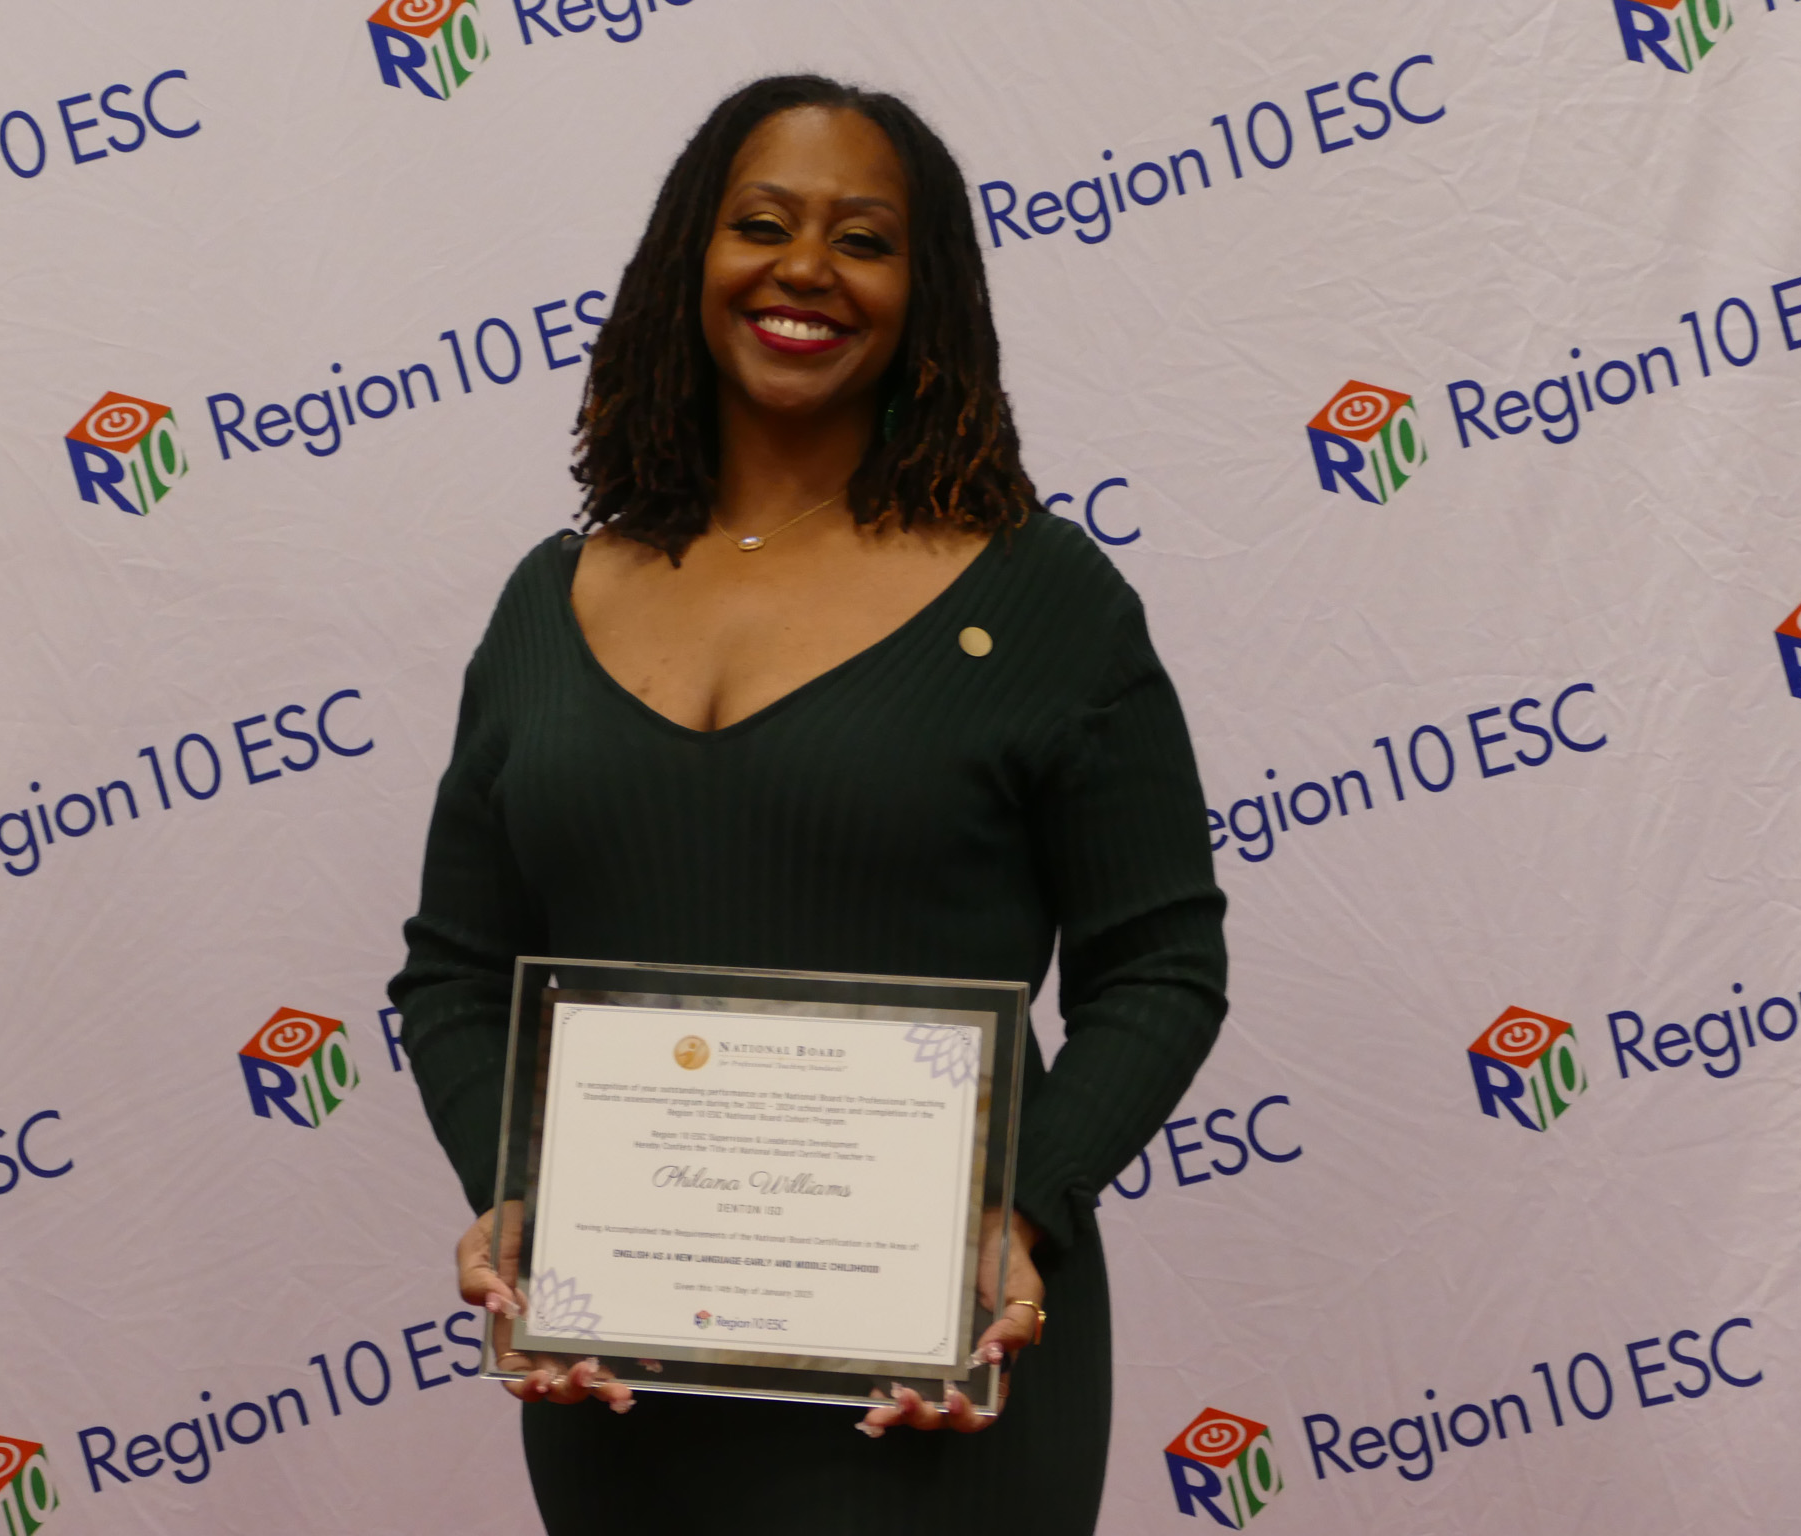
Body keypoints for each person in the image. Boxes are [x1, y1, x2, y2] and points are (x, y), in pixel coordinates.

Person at [389, 74, 1227, 1536]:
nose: (805, 270)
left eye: (866, 240)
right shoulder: (549, 600)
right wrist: (525, 1199)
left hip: (944, 1357)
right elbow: (456, 970)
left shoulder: (1043, 603)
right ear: (686, 263)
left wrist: (1013, 1212)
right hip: (624, 1376)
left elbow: (1160, 965)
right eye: (762, 223)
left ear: (931, 294)